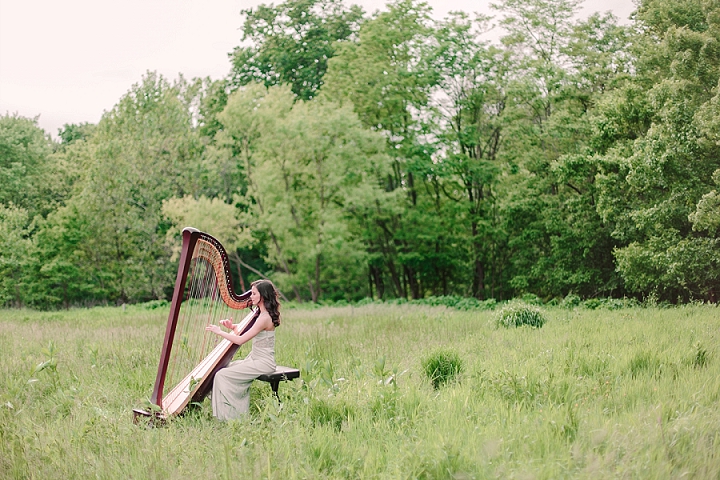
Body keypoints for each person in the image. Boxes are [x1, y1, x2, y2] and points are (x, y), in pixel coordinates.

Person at [205, 279, 281, 421]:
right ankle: (231, 412)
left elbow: (240, 340)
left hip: (263, 363)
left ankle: (232, 417)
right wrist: (232, 327)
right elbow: (249, 331)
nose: (250, 296)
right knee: (222, 368)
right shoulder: (260, 314)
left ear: (263, 296)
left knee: (222, 375)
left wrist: (219, 332)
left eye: (253, 294)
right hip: (255, 359)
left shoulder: (264, 318)